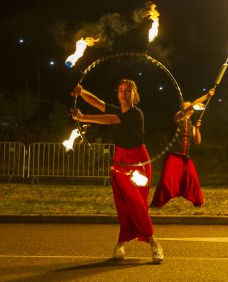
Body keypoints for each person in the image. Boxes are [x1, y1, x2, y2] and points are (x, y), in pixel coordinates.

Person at [70, 79, 164, 262]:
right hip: (120, 160)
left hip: (137, 162)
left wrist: (82, 118)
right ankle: (121, 242)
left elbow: (110, 120)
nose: (123, 93)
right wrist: (82, 92)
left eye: (128, 90)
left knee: (137, 202)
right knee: (123, 203)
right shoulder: (114, 108)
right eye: (121, 90)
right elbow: (97, 103)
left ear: (134, 94)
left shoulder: (136, 114)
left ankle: (154, 243)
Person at [150, 88, 215, 209]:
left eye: (190, 107)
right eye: (187, 107)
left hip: (185, 159)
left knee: (193, 180)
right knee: (165, 181)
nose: (190, 108)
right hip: (173, 156)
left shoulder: (191, 125)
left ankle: (198, 203)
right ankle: (156, 204)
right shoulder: (177, 118)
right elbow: (192, 105)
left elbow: (197, 141)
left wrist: (197, 128)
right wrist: (206, 96)